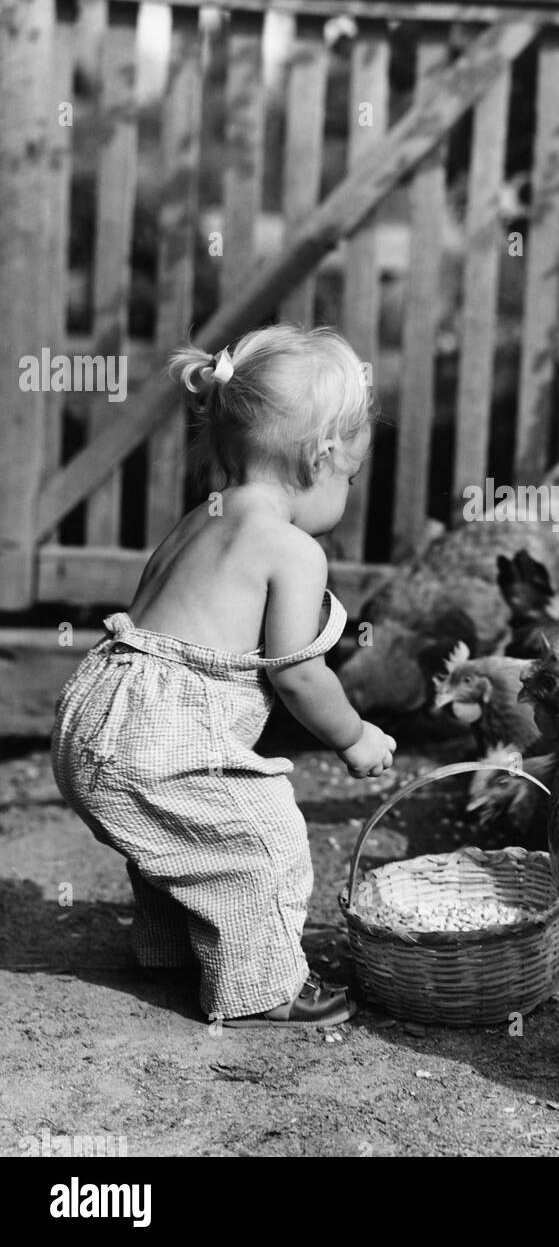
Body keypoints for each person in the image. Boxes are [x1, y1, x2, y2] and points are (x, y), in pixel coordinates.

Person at [52, 325, 395, 1028]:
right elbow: (301, 674)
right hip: (156, 732)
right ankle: (261, 984)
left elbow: (151, 622)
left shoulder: (198, 522)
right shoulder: (293, 551)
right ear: (321, 457)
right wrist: (355, 736)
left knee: (189, 834)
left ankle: (170, 950)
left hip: (94, 714)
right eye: (351, 477)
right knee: (264, 835)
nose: (349, 492)